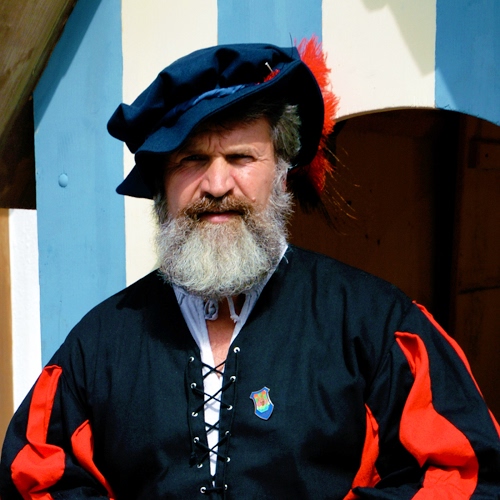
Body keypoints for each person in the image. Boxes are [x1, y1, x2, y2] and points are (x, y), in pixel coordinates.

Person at [1, 40, 499, 500]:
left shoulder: (376, 323)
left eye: (240, 157)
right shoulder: (100, 344)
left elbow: (466, 474)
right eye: (192, 160)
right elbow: (33, 479)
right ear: (162, 186)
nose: (217, 184)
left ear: (281, 175)